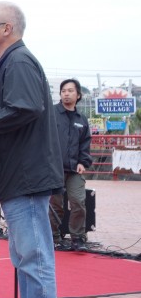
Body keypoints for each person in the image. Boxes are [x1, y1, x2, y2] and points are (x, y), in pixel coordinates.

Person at [0, 1, 64, 298]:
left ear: (7, 29)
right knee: (27, 259)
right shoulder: (13, 62)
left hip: (25, 179)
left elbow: (25, 108)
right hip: (18, 179)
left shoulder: (19, 62)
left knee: (34, 259)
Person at [50, 78, 93, 252]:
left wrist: (84, 162)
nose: (66, 94)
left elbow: (85, 143)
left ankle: (78, 238)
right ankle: (53, 237)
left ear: (78, 95)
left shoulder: (81, 119)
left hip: (75, 169)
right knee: (55, 205)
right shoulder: (51, 114)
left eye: (70, 91)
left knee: (78, 202)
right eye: (63, 91)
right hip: (54, 168)